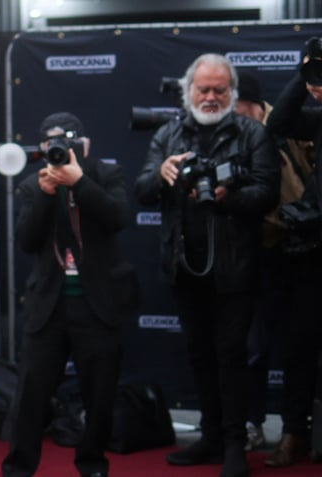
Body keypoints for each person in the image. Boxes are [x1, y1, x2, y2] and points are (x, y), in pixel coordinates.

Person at [134, 53, 279, 477]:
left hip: (236, 268)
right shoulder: (168, 134)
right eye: (204, 89)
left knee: (231, 356)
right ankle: (212, 436)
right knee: (198, 355)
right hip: (184, 266)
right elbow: (142, 191)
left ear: (232, 94)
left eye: (219, 90)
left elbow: (268, 194)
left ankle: (235, 443)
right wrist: (161, 174)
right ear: (188, 92)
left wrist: (227, 195)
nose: (211, 97)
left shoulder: (252, 133)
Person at [1, 112, 140, 477]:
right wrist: (48, 194)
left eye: (68, 144)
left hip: (98, 303)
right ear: (43, 149)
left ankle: (93, 464)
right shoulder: (34, 184)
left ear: (86, 145)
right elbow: (27, 241)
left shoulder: (106, 174)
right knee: (31, 392)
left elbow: (118, 217)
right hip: (49, 304)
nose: (61, 153)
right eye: (53, 146)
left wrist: (79, 183)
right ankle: (18, 468)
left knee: (100, 393)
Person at [234, 71, 316, 453]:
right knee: (253, 346)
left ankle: (294, 430)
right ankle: (250, 423)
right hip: (258, 250)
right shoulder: (228, 132)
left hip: (304, 248)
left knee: (300, 346)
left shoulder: (289, 123)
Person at [261, 37, 322, 468]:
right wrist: (307, 70)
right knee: (299, 346)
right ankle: (294, 434)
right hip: (312, 252)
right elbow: (279, 122)